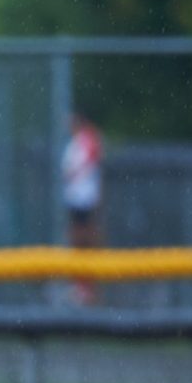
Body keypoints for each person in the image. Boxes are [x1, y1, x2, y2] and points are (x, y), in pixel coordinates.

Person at [60, 111, 105, 305]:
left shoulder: (87, 138)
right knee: (77, 241)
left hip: (84, 198)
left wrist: (73, 174)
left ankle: (87, 288)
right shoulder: (77, 141)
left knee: (84, 239)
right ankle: (80, 286)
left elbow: (92, 157)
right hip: (76, 198)